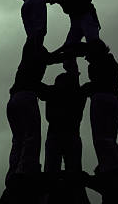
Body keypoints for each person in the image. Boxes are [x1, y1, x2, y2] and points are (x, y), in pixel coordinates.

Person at [81, 40, 118, 203]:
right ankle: (112, 167)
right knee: (109, 139)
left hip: (102, 98)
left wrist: (89, 87)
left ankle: (112, 169)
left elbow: (100, 82)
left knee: (102, 139)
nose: (86, 58)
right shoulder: (110, 63)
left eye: (87, 54)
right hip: (113, 99)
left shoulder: (100, 64)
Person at [0, 39, 49, 203]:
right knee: (31, 137)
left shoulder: (25, 67)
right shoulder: (33, 61)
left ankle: (15, 171)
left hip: (13, 99)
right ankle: (25, 171)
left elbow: (50, 57)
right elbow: (49, 57)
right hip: (26, 97)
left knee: (18, 140)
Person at [38, 72, 90, 204]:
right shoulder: (76, 94)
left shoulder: (53, 92)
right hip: (71, 136)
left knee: (52, 171)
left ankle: (48, 197)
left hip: (57, 136)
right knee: (73, 172)